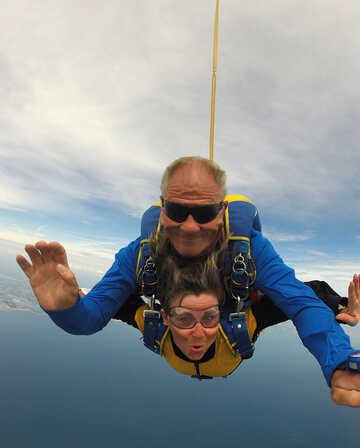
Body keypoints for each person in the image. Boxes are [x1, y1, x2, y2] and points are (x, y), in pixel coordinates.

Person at [16, 156, 360, 406]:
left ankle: (341, 307)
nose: (191, 226)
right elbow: (92, 316)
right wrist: (65, 308)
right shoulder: (139, 256)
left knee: (306, 297)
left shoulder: (250, 251)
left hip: (224, 317)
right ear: (162, 210)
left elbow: (300, 304)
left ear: (223, 212)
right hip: (192, 324)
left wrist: (339, 361)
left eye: (206, 212)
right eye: (178, 212)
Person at [113, 233, 360, 379]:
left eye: (208, 317)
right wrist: (340, 308)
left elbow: (301, 297)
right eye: (184, 318)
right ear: (165, 316)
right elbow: (306, 295)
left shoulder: (156, 328)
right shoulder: (240, 329)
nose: (197, 333)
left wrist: (341, 307)